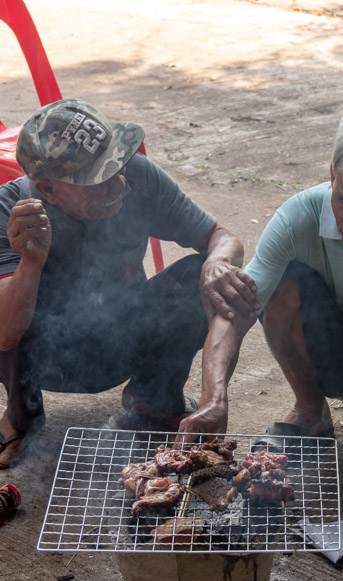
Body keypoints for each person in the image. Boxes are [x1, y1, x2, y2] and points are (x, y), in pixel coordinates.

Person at [180, 105, 343, 513]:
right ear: (332, 173)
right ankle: (311, 411)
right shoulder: (300, 213)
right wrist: (214, 397)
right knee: (274, 288)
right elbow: (236, 311)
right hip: (328, 347)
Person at [0, 98, 258, 468]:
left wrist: (218, 262)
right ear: (48, 189)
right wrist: (31, 261)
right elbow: (6, 334)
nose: (119, 182)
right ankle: (20, 416)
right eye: (99, 179)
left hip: (123, 335)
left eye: (117, 164)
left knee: (202, 274)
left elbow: (221, 236)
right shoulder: (10, 211)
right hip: (48, 358)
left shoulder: (137, 176)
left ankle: (152, 401)